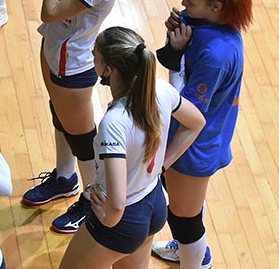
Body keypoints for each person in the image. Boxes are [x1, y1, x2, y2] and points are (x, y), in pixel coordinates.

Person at [59, 27, 205, 269]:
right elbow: (196, 123)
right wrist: (162, 166)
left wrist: (108, 220)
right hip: (154, 203)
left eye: (95, 55)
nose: (90, 57)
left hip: (123, 221)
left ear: (109, 69)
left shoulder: (115, 122)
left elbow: (116, 203)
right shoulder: (161, 90)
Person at [21, 0, 125, 234]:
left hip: (72, 66)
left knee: (83, 140)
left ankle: (91, 199)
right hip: (54, 50)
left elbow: (49, 10)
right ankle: (65, 179)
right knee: (59, 118)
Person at [150, 0, 252, 269]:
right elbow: (170, 61)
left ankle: (196, 262)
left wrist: (164, 162)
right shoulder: (200, 22)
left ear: (217, 6)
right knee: (186, 204)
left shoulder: (217, 54)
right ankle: (189, 252)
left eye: (189, 1)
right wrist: (175, 46)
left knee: (183, 220)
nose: (182, 5)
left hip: (194, 144)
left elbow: (189, 113)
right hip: (189, 135)